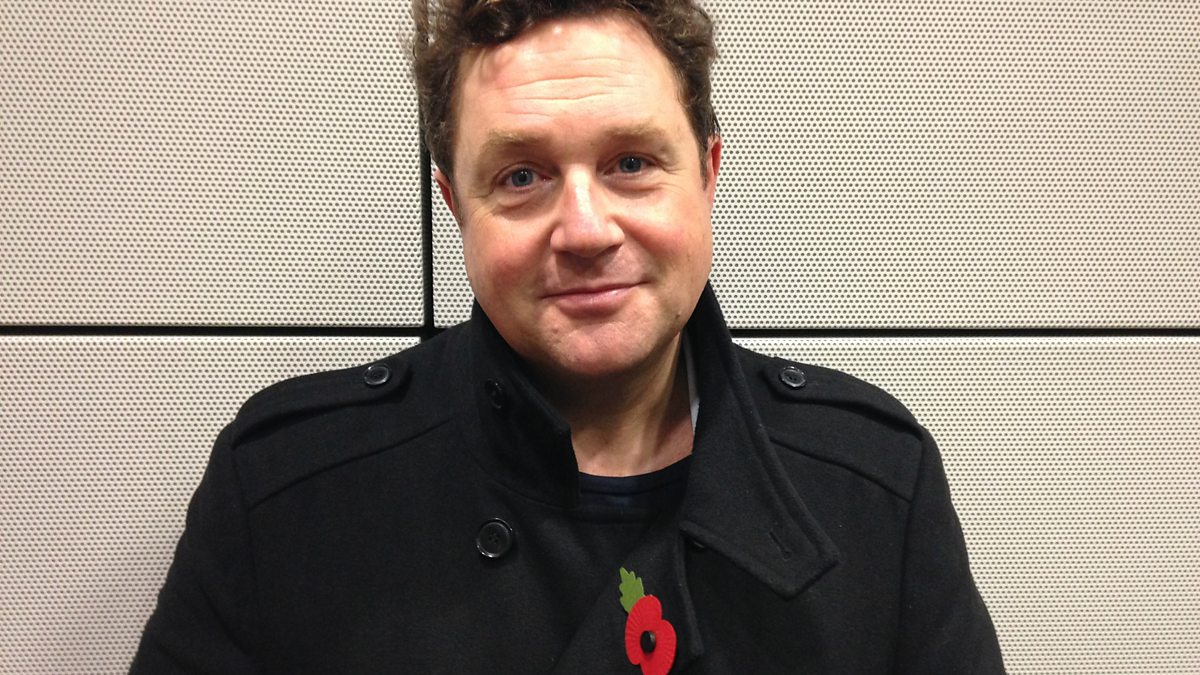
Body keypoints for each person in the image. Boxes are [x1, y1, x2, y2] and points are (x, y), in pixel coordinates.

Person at [132, 0, 1004, 672]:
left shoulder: (874, 487)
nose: (585, 229)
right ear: (454, 204)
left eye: (631, 162)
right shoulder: (287, 494)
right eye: (522, 176)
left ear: (707, 174)